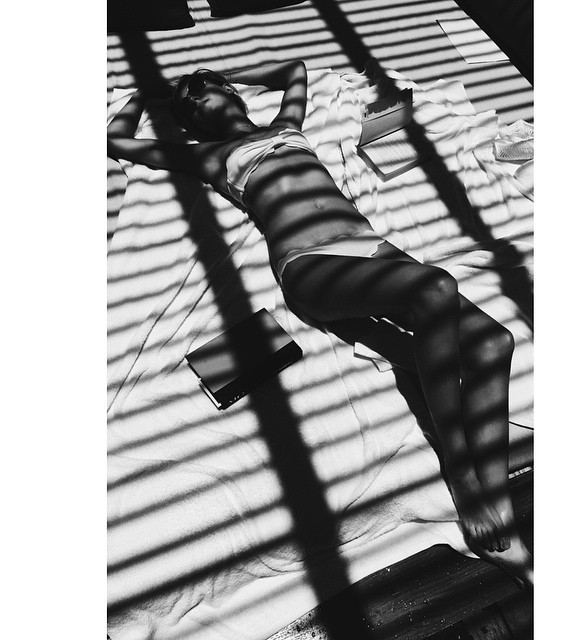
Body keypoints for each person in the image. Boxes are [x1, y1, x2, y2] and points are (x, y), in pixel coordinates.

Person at [107, 60, 533, 587]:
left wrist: (225, 76)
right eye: (189, 105)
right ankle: (465, 480)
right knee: (437, 289)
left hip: (371, 246)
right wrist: (147, 91)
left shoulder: (286, 125)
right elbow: (117, 141)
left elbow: (295, 69)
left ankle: (498, 509)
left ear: (231, 91)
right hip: (309, 262)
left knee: (495, 342)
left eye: (205, 89)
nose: (198, 101)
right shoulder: (210, 156)